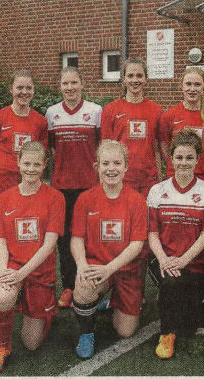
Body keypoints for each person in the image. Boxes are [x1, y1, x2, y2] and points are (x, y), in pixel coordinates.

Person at [0, 142, 64, 375]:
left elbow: (49, 245)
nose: (31, 168)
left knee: (31, 343)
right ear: (18, 163)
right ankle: (2, 348)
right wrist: (3, 272)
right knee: (4, 297)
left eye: (37, 164)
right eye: (26, 163)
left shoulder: (55, 198)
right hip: (13, 265)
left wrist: (22, 273)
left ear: (44, 166)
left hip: (38, 270)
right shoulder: (5, 198)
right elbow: (1, 243)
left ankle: (46, 309)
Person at [69, 140, 148, 359]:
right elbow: (76, 239)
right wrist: (83, 266)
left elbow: (136, 244)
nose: (111, 168)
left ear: (126, 167)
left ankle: (113, 302)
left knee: (125, 331)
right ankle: (86, 333)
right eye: (105, 163)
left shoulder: (137, 200)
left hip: (126, 270)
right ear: (97, 167)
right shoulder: (85, 199)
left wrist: (110, 269)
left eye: (117, 163)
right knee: (83, 287)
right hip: (97, 265)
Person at [147, 130, 204, 359]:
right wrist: (164, 260)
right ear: (171, 158)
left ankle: (186, 303)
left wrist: (184, 260)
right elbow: (152, 233)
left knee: (189, 327)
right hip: (165, 261)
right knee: (171, 286)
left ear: (198, 159)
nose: (184, 163)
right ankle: (166, 334)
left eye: (189, 158)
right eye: (179, 157)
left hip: (195, 264)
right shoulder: (157, 191)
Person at [0, 70, 49, 289]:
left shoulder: (39, 121)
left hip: (27, 190)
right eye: (19, 87)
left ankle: (25, 283)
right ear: (11, 89)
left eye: (28, 88)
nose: (24, 92)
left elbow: (41, 155)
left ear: (33, 91)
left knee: (25, 233)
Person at [45, 67, 103, 309]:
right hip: (62, 187)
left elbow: (100, 146)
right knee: (65, 238)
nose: (69, 88)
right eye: (65, 83)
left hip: (89, 186)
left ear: (82, 84)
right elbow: (51, 148)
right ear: (60, 86)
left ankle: (93, 284)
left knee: (90, 237)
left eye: (74, 83)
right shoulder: (52, 113)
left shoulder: (95, 111)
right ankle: (69, 286)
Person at [101, 58, 163, 197]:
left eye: (139, 75)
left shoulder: (156, 110)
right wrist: (104, 181)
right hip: (121, 180)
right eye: (130, 76)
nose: (135, 80)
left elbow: (157, 149)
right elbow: (104, 151)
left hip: (148, 181)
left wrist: (159, 180)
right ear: (124, 79)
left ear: (146, 79)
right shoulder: (110, 110)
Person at [159, 67, 204, 185]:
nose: (192, 89)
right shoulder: (169, 115)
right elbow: (164, 146)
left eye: (197, 84)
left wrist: (201, 164)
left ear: (203, 87)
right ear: (181, 86)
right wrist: (177, 165)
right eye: (188, 84)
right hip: (176, 176)